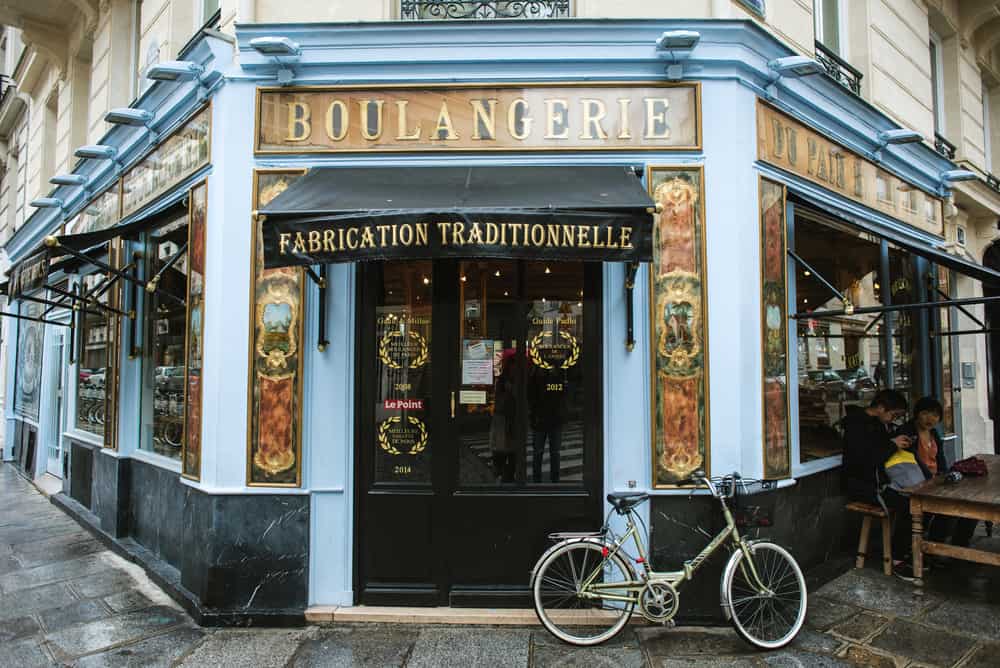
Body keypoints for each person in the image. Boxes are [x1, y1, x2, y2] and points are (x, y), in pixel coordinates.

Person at [893, 397, 978, 556]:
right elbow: (909, 463)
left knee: (967, 503)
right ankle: (929, 549)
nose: (930, 418)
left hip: (934, 481)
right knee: (941, 507)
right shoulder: (907, 432)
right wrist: (932, 481)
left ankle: (951, 547)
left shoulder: (934, 433)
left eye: (935, 415)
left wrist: (944, 475)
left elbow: (940, 459)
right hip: (915, 483)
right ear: (917, 414)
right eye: (925, 413)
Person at [842, 389, 913, 573]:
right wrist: (892, 444)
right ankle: (897, 557)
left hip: (878, 482)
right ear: (881, 407)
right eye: (894, 414)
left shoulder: (878, 425)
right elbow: (865, 460)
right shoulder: (856, 425)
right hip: (863, 486)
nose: (893, 419)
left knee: (912, 500)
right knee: (910, 505)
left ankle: (904, 551)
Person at [490, 349, 522, 484]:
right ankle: (501, 473)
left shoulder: (518, 381)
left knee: (513, 450)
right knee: (501, 449)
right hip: (502, 419)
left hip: (514, 419)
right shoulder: (502, 381)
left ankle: (509, 475)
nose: (514, 368)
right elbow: (499, 402)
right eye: (512, 365)